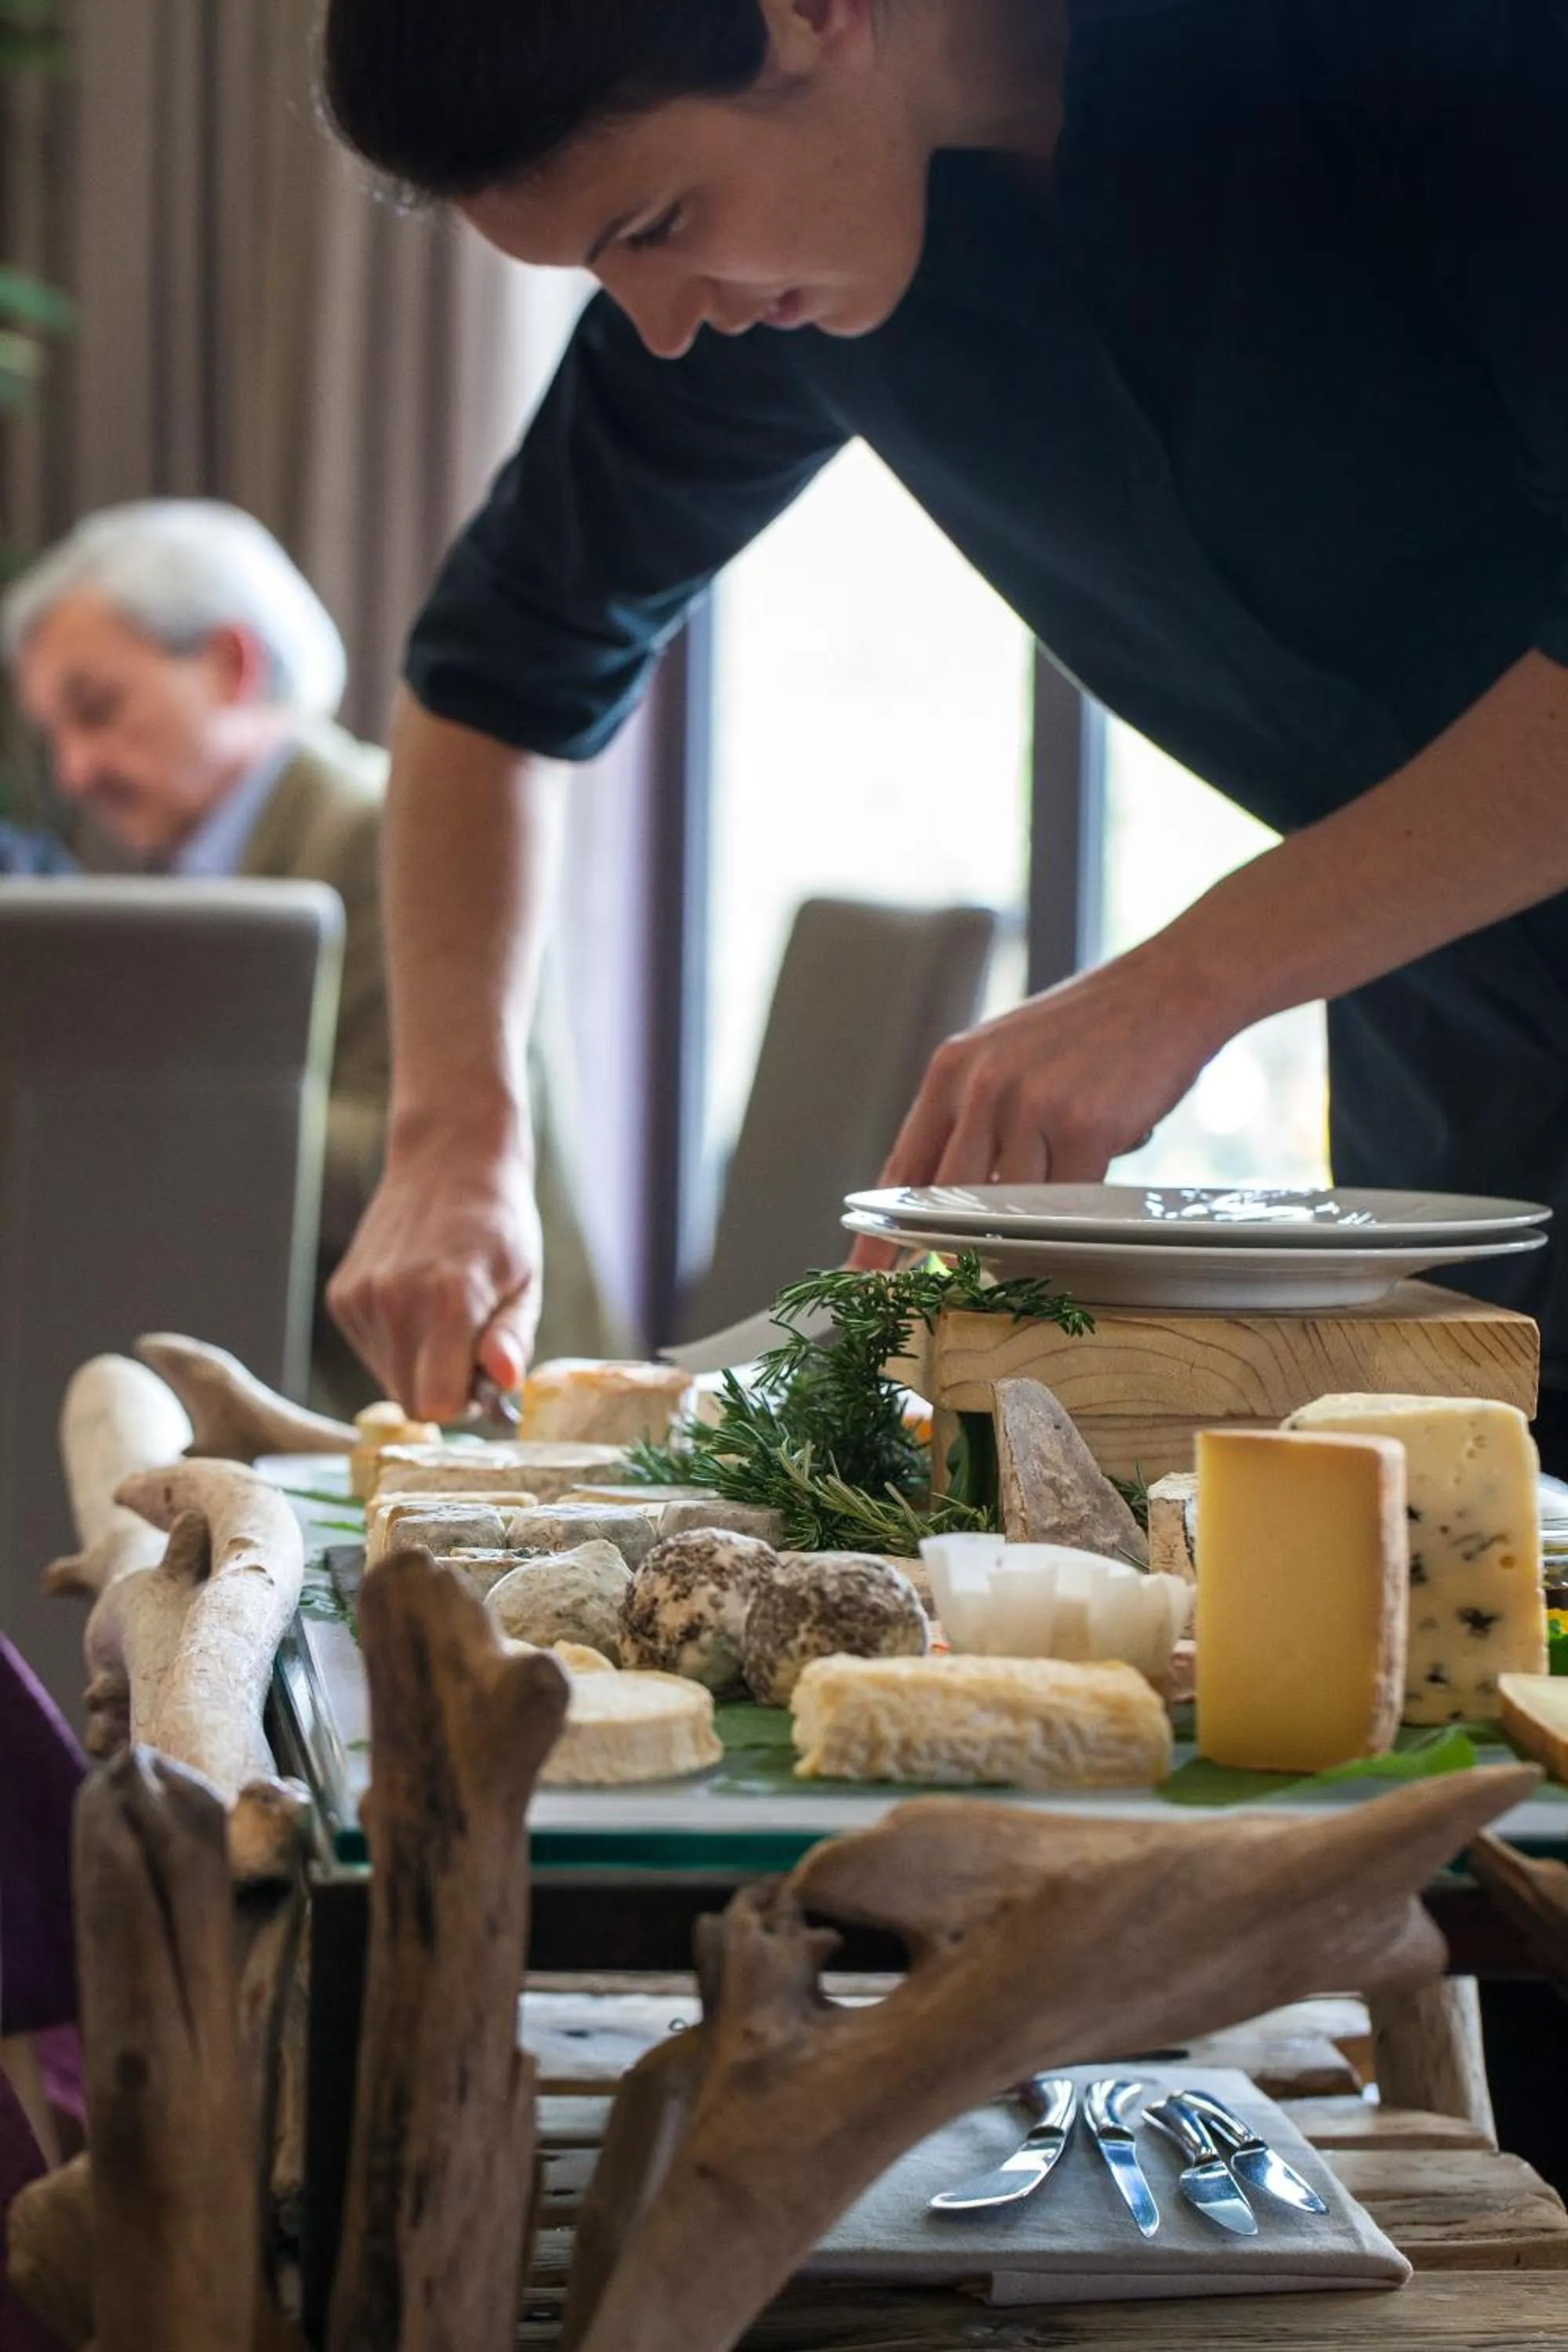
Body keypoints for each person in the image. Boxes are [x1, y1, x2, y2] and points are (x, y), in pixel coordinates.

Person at [316, 0, 1568, 1454]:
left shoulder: (1431, 46)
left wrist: (1180, 986)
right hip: (1452, 1080)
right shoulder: (772, 273)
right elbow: (490, 679)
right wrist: (452, 1137)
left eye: (657, 224)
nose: (659, 324)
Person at [0, 500, 609, 1410]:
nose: (75, 770)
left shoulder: (377, 835)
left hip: (467, 1404)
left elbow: (402, 1170)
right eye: (54, 736)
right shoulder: (209, 869)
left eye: (96, 710)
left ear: (230, 665)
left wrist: (106, 1110)